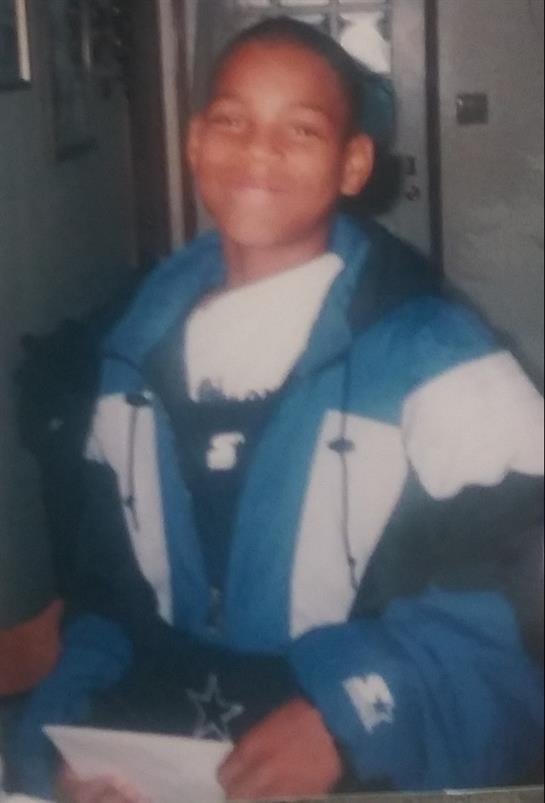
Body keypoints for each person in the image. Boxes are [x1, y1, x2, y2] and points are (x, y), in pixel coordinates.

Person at [9, 17, 544, 803]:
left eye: (300, 129)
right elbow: (104, 603)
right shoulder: (126, 364)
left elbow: (517, 619)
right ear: (195, 143)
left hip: (369, 764)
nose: (258, 150)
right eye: (231, 121)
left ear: (352, 163)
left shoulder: (446, 370)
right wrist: (71, 746)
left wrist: (345, 718)